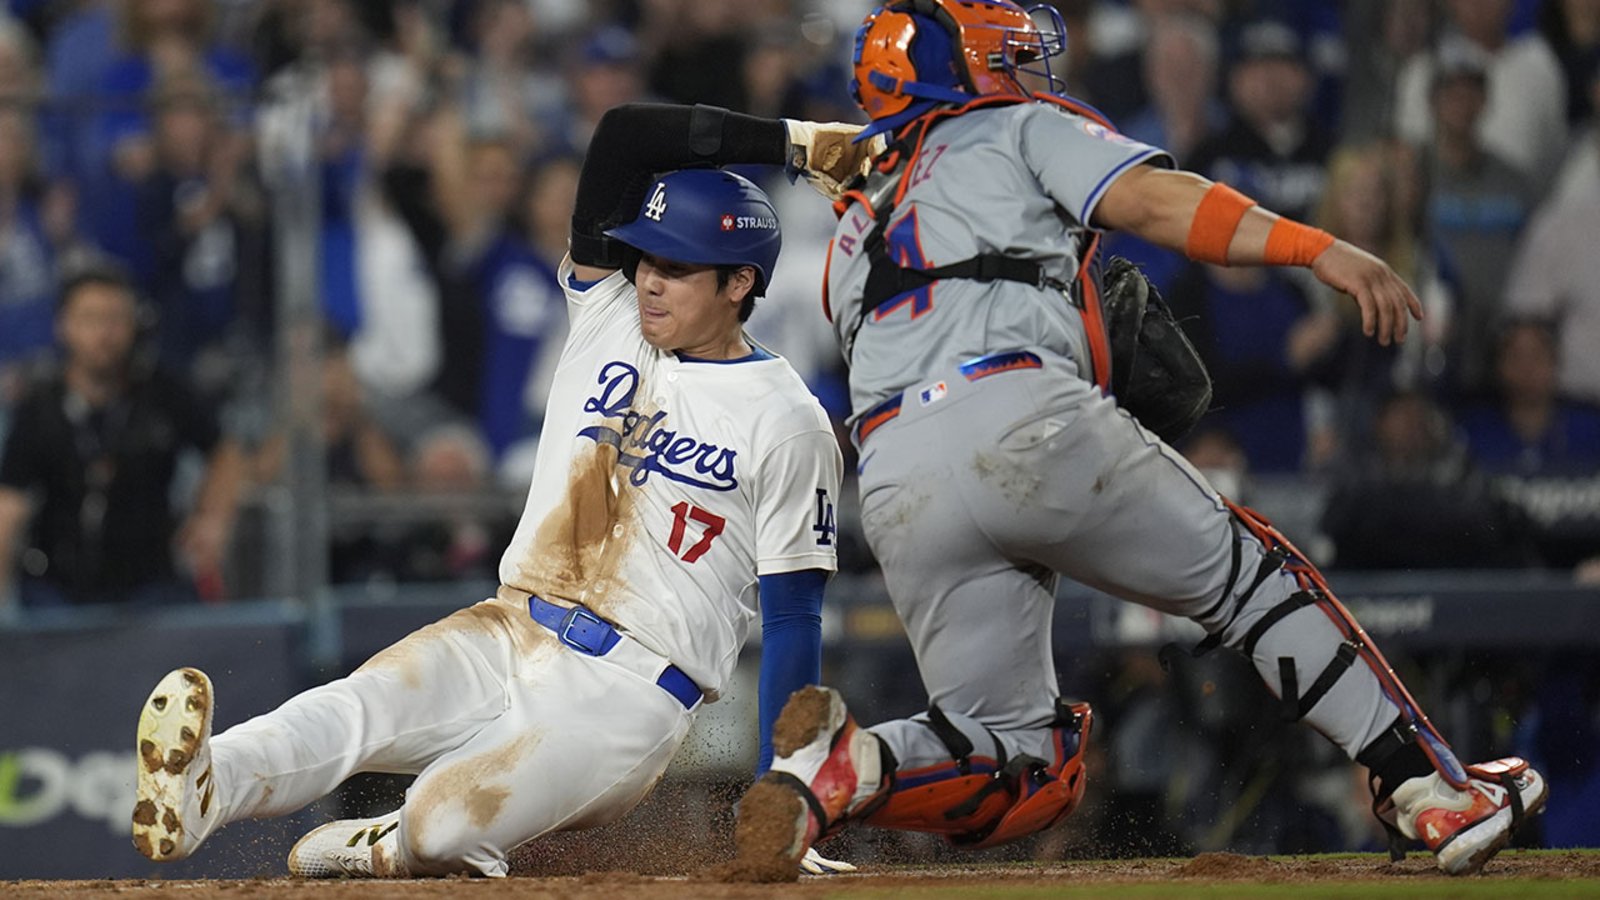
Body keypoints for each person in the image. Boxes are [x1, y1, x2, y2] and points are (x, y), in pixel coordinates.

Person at [730, 0, 1548, 882]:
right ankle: (1429, 788)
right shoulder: (1015, 124)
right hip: (1018, 417)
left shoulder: (858, 213)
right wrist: (1317, 249)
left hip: (894, 473)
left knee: (1023, 761)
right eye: (994, 54)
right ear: (951, 75)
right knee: (1252, 574)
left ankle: (851, 767)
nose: (1018, 66)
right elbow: (1164, 203)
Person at [130, 101, 869, 878]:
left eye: (677, 268)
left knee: (444, 826)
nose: (650, 281)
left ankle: (391, 843)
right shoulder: (607, 314)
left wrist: (787, 793)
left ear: (740, 282)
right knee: (357, 706)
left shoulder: (789, 420)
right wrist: (789, 143)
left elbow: (794, 617)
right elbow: (623, 137)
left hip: (628, 695)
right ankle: (202, 788)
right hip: (511, 623)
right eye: (646, 258)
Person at [0, 264, 245, 611]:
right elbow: (9, 503)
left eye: (115, 319)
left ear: (133, 324)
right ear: (63, 326)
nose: (104, 333)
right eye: (90, 319)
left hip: (151, 585)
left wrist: (213, 518)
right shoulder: (40, 406)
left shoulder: (164, 391)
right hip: (56, 589)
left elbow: (225, 451)